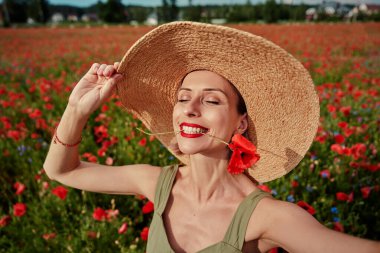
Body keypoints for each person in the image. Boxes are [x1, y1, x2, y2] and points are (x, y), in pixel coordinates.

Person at [43, 22, 380, 253]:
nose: (189, 109)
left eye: (212, 100)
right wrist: (77, 108)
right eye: (183, 97)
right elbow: (62, 171)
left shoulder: (269, 218)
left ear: (241, 123)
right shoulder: (156, 182)